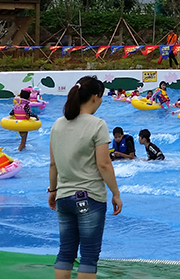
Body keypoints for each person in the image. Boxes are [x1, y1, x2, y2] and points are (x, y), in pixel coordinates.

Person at [48, 76, 122, 278]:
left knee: (66, 252)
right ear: (95, 97)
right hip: (89, 199)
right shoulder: (98, 125)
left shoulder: (57, 125)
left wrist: (53, 190)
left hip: (64, 197)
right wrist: (115, 193)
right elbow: (104, 164)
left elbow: (53, 164)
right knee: (89, 256)